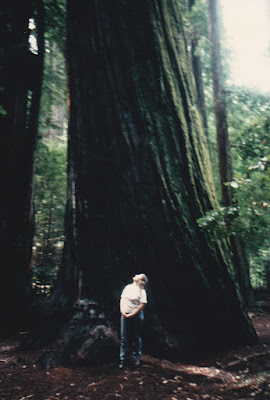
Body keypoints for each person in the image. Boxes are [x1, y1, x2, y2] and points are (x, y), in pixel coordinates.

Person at [119, 273, 148, 368]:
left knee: (136, 337)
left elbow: (142, 304)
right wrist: (122, 311)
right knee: (124, 337)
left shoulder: (142, 291)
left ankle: (136, 358)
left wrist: (132, 314)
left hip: (136, 315)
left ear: (141, 280)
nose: (136, 275)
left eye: (139, 275)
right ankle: (123, 359)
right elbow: (122, 299)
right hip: (125, 314)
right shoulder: (128, 287)